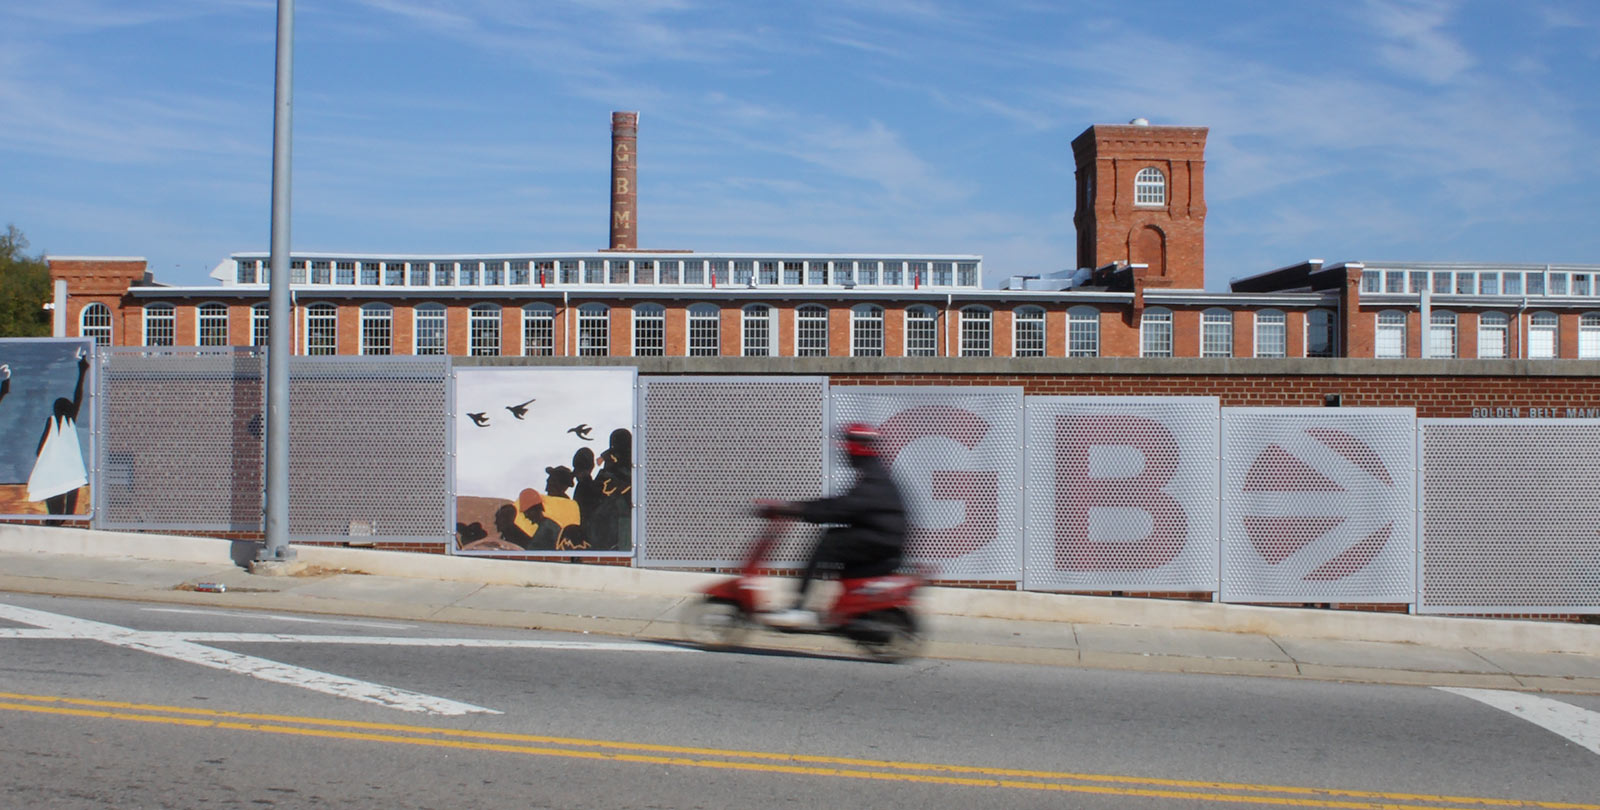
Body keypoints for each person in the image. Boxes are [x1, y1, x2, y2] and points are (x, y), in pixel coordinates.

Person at [763, 423, 908, 628]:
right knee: (835, 538)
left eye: (847, 446)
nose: (844, 452)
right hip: (883, 539)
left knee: (828, 543)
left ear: (856, 448)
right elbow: (842, 504)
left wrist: (798, 510)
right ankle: (832, 609)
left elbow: (842, 507)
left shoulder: (873, 479)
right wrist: (798, 508)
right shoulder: (874, 474)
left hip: (881, 540)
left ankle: (799, 606)